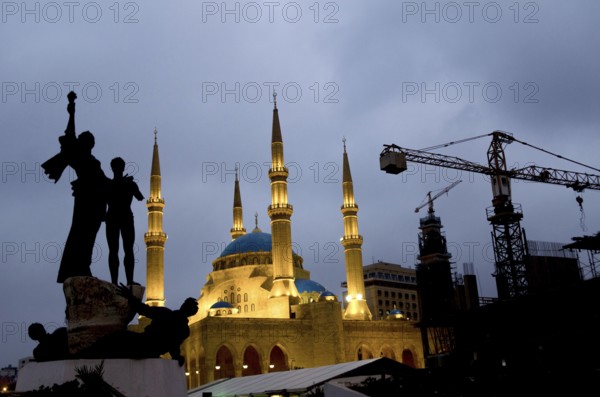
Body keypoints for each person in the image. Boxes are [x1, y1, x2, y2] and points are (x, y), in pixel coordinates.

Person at [42, 91, 108, 283]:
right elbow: (70, 134)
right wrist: (72, 111)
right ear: (84, 143)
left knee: (89, 236)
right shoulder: (80, 158)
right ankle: (78, 266)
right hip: (86, 200)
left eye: (91, 142)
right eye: (88, 141)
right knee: (81, 233)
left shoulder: (93, 161)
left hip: (96, 203)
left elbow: (104, 181)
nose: (91, 145)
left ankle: (83, 264)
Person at [114, 284, 198, 366]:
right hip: (150, 349)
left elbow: (144, 310)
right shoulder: (184, 329)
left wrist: (130, 297)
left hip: (143, 344)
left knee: (118, 338)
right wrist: (177, 356)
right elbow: (174, 345)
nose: (183, 306)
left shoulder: (166, 314)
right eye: (185, 304)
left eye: (186, 306)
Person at [105, 157, 144, 285]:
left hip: (111, 218)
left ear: (112, 168)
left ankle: (114, 282)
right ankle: (128, 281)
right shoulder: (129, 184)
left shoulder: (108, 185)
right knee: (128, 250)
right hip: (126, 217)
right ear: (123, 167)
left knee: (113, 250)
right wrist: (130, 183)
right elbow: (140, 197)